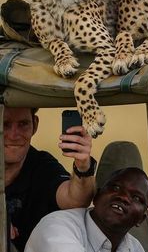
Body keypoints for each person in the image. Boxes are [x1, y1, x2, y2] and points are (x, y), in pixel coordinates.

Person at [24, 167, 148, 252]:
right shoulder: (57, 227)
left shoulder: (133, 247)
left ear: (140, 220)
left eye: (136, 198)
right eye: (116, 188)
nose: (123, 198)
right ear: (96, 196)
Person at [4, 107, 96, 252]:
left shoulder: (41, 165)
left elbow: (75, 200)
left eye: (23, 124)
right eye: (4, 124)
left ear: (35, 125)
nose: (14, 135)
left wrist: (83, 165)